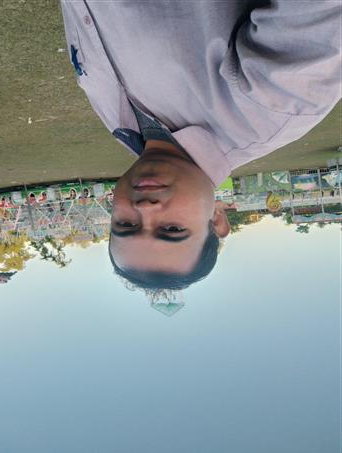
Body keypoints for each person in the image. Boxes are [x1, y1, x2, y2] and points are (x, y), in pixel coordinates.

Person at [60, 0, 341, 290]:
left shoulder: (115, 119)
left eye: (126, 225)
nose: (144, 208)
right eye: (171, 229)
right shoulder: (274, 105)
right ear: (217, 219)